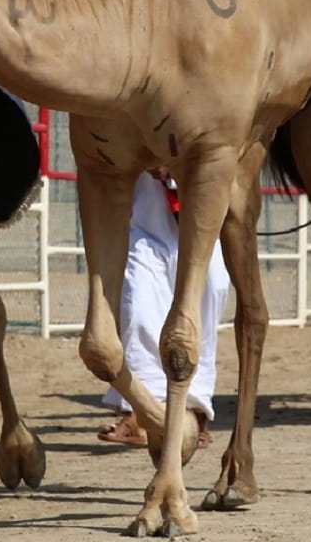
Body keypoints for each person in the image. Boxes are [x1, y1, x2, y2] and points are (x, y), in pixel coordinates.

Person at [98, 169, 232, 448]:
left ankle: (195, 412)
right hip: (147, 226)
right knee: (137, 308)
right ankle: (139, 414)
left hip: (203, 223)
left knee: (210, 297)